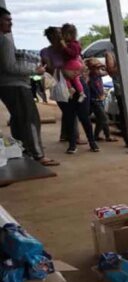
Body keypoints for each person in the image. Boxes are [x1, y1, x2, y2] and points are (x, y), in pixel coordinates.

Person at [0, 8, 58, 165]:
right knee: (30, 119)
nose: (11, 23)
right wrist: (35, 70)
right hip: (16, 85)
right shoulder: (4, 41)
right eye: (7, 20)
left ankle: (23, 150)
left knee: (19, 120)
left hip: (5, 86)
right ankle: (37, 154)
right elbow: (9, 67)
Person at [41, 26, 80, 144]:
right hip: (59, 83)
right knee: (68, 110)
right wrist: (64, 71)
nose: (61, 35)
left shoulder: (67, 48)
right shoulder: (46, 51)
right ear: (50, 37)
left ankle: (67, 135)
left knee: (71, 110)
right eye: (58, 34)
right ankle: (73, 137)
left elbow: (77, 61)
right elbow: (49, 69)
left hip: (73, 81)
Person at [86, 59, 115, 142]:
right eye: (96, 69)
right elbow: (94, 89)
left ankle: (96, 136)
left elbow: (107, 72)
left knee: (100, 119)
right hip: (95, 100)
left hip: (98, 100)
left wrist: (103, 65)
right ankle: (107, 136)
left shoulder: (97, 75)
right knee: (104, 118)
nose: (99, 71)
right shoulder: (91, 77)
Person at [104, 51, 128, 147]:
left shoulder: (122, 53)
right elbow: (111, 71)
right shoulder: (111, 54)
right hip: (121, 90)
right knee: (124, 115)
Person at [60, 23, 85, 102]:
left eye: (63, 34)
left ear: (68, 34)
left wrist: (64, 47)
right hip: (76, 63)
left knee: (65, 77)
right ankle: (81, 93)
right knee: (76, 79)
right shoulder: (76, 43)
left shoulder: (72, 44)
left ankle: (70, 89)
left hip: (71, 63)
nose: (62, 36)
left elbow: (72, 53)